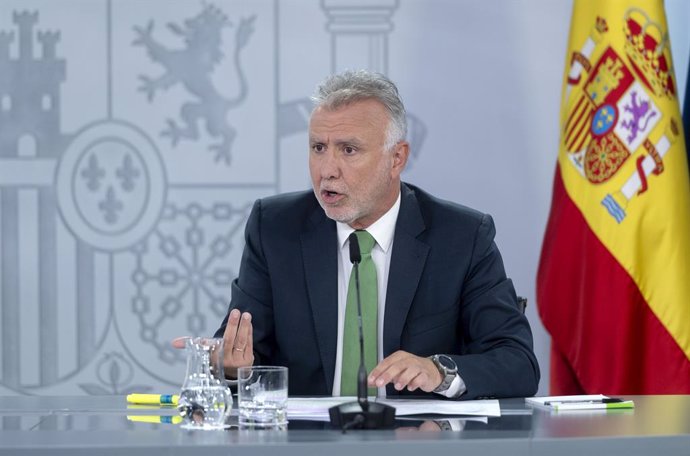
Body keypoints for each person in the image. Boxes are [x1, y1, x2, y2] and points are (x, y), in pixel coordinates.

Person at [181, 70, 539, 399]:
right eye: (318, 148)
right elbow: (244, 350)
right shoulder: (275, 228)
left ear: (396, 158)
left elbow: (517, 362)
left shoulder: (461, 237)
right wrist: (229, 367)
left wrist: (438, 371)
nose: (327, 170)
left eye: (348, 150)